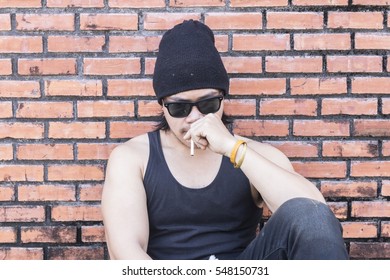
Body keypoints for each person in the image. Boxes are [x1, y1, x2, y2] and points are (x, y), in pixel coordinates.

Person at [101, 20, 349, 260]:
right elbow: (125, 254)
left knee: (309, 214)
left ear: (223, 99)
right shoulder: (133, 158)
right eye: (180, 108)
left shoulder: (254, 154)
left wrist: (233, 149)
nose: (194, 117)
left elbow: (315, 220)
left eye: (207, 104)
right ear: (163, 107)